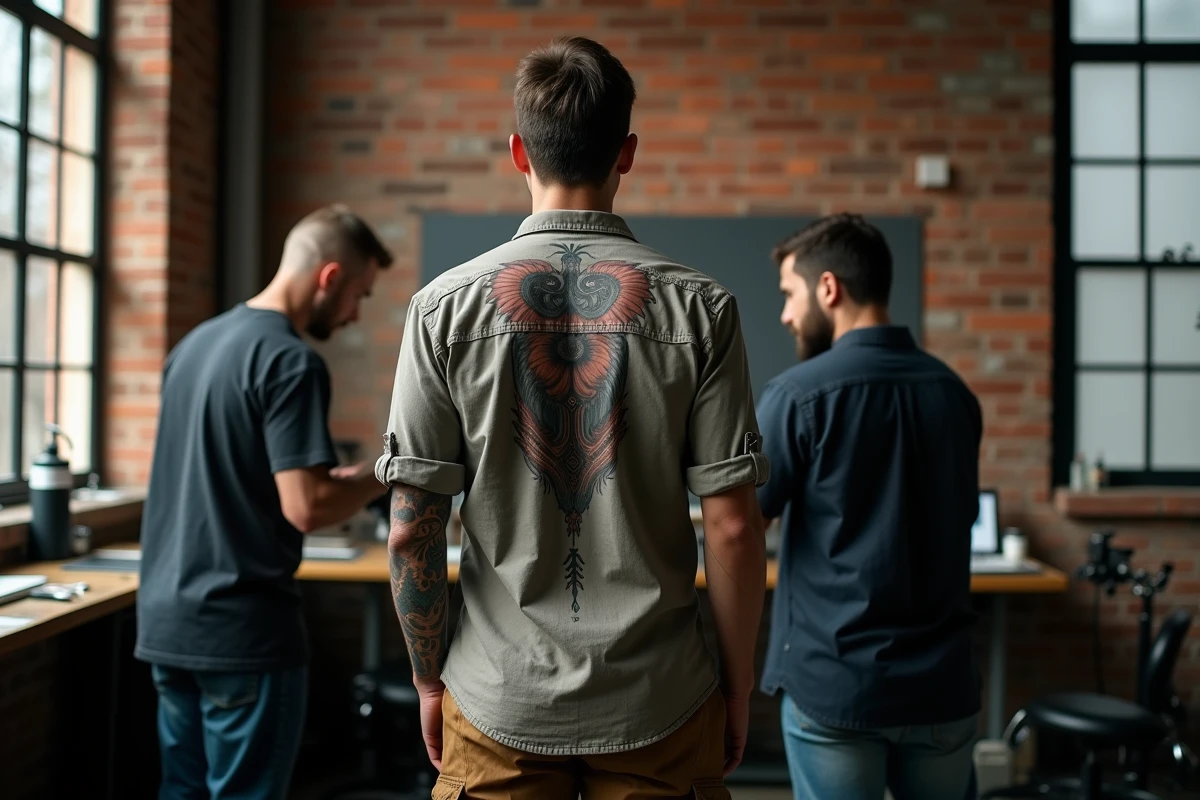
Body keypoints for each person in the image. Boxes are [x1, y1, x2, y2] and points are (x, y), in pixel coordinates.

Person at [377, 36, 768, 800]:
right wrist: (738, 684)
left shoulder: (440, 310)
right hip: (662, 697)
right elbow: (733, 527)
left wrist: (428, 680)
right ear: (627, 153)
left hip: (497, 698)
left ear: (519, 152)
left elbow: (410, 528)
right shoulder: (703, 309)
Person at [135, 205, 393, 799]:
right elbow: (307, 507)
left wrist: (331, 480)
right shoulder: (290, 360)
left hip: (168, 625)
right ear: (329, 277)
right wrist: (384, 473)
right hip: (241, 634)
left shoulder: (194, 346)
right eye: (359, 295)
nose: (355, 315)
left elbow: (225, 472)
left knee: (181, 791)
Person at [756, 214, 983, 800]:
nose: (785, 315)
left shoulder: (797, 396)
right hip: (942, 690)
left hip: (837, 688)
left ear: (828, 288)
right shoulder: (954, 394)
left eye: (789, 294)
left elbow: (741, 522)